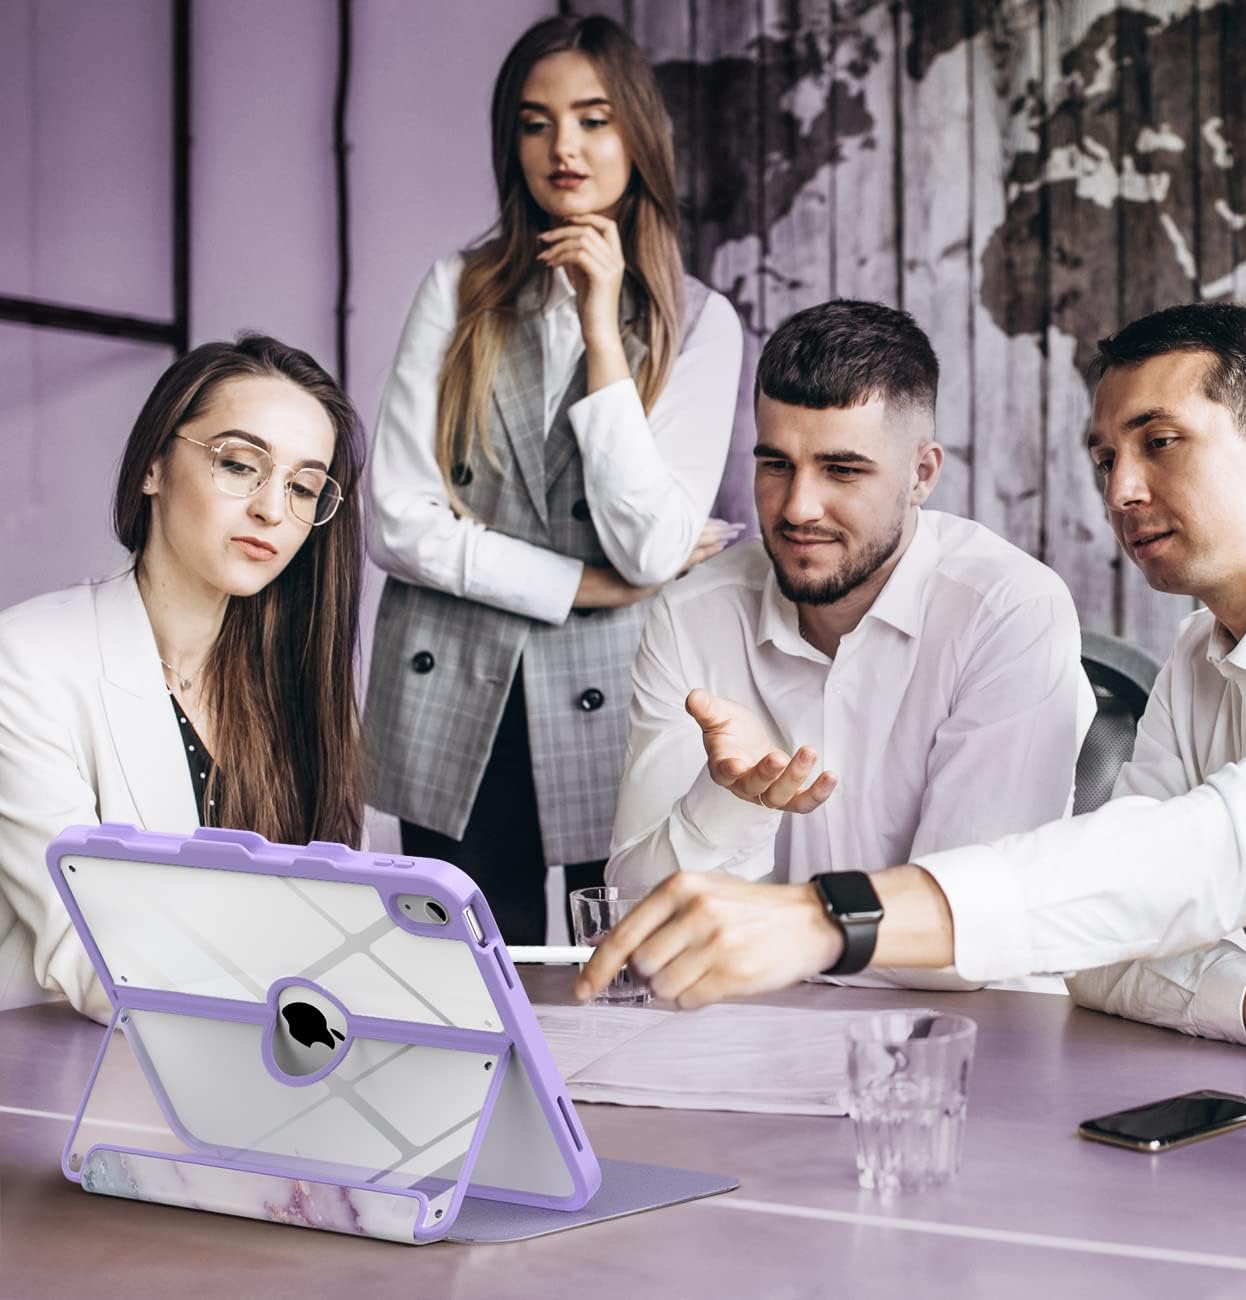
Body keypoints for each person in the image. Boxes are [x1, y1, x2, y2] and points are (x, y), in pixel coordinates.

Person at [576, 302, 1246, 1041]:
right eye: (1106, 460)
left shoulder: (1004, 604)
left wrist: (822, 919)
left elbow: (1195, 858)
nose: (1119, 493)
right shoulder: (1195, 657)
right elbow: (1113, 930)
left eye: (1162, 442)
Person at [364, 14, 743, 942]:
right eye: (535, 124)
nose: (563, 148)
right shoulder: (458, 288)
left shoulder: (700, 322)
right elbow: (395, 520)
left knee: (612, 969)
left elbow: (647, 548)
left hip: (614, 689)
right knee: (456, 972)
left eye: (592, 119)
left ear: (638, 133)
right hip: (453, 683)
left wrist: (604, 330)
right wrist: (579, 585)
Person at [604, 299, 1093, 989]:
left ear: (922, 475)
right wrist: (731, 800)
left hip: (969, 1031)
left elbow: (963, 942)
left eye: (842, 469)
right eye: (777, 464)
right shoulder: (691, 614)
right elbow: (634, 917)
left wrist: (784, 930)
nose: (798, 507)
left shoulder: (1009, 610)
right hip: (749, 1027)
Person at [0, 333, 366, 1020]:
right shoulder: (25, 663)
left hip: (267, 1060)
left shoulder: (301, 691)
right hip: (67, 1062)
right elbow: (98, 959)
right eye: (239, 465)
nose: (271, 509)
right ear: (153, 467)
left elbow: (348, 932)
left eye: (302, 487)